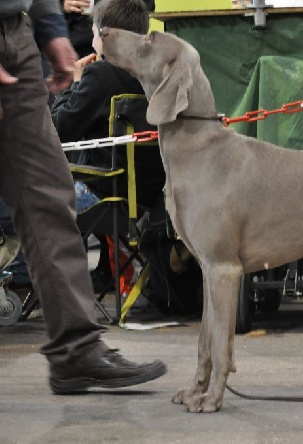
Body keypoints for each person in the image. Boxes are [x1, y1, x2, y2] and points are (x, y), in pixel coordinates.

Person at [0, 0, 166, 393]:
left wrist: (50, 26)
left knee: (49, 193)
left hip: (16, 35)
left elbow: (66, 124)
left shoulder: (99, 75)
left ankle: (76, 350)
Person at [51, 0, 166, 290]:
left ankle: (37, 283)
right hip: (153, 197)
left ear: (104, 35)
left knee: (31, 194)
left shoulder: (99, 76)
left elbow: (58, 129)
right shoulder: (157, 72)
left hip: (110, 195)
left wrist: (73, 85)